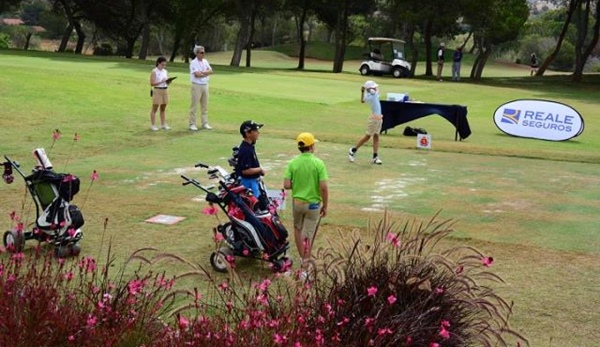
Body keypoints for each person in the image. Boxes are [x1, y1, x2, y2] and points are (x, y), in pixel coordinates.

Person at [283, 132, 328, 279]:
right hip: (313, 205)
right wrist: (325, 205)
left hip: (297, 203)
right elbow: (323, 187)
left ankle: (303, 259)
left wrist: (299, 185)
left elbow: (287, 185)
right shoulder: (318, 163)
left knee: (297, 229)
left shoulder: (293, 163)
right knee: (308, 235)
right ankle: (305, 267)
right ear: (311, 146)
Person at [348, 80, 383, 165]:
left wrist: (363, 90)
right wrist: (367, 89)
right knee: (368, 136)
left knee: (376, 136)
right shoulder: (372, 95)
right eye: (373, 87)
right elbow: (375, 91)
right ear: (371, 89)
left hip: (379, 118)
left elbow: (362, 100)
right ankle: (353, 150)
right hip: (374, 119)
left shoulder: (368, 95)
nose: (375, 88)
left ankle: (375, 157)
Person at [236, 120, 267, 203]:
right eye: (255, 131)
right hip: (249, 184)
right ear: (248, 134)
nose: (258, 133)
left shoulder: (250, 146)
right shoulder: (245, 150)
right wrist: (260, 169)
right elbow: (246, 170)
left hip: (253, 183)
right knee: (254, 208)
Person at [188, 45, 213, 131]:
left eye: (204, 52)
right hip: (196, 85)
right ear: (197, 53)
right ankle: (192, 123)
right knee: (194, 105)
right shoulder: (193, 62)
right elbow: (196, 74)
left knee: (205, 105)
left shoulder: (205, 61)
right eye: (202, 52)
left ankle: (205, 123)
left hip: (205, 84)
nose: (203, 54)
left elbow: (211, 71)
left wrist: (203, 73)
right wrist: (205, 73)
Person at [149, 56, 172, 131]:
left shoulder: (165, 71)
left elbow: (166, 82)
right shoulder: (154, 71)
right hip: (158, 90)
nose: (163, 66)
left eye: (165, 65)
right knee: (155, 108)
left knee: (163, 108)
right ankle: (153, 125)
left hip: (165, 90)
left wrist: (168, 81)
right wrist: (161, 81)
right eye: (162, 64)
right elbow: (152, 83)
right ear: (158, 63)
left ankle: (163, 124)